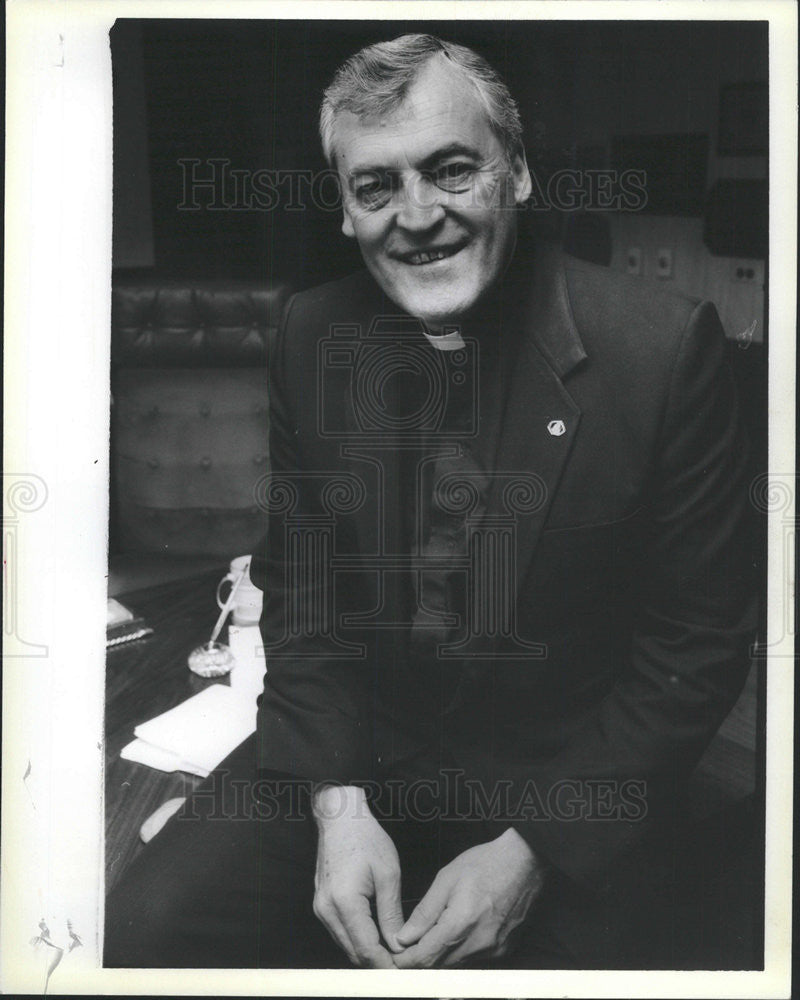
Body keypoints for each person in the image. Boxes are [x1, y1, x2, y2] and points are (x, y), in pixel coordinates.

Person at [105, 33, 757, 970]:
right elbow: (307, 598)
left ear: (519, 174)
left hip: (566, 788)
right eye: (376, 187)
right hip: (356, 759)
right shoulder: (309, 331)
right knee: (140, 938)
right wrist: (337, 807)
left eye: (452, 170)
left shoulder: (665, 349)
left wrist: (538, 851)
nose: (418, 216)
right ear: (344, 208)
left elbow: (693, 647)